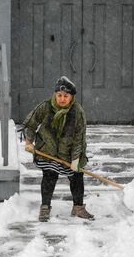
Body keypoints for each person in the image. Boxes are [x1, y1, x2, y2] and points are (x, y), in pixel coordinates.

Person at [23, 76, 94, 222]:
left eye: (66, 96)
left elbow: (79, 138)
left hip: (68, 152)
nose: (62, 99)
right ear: (55, 94)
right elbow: (30, 122)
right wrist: (29, 141)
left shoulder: (77, 112)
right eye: (59, 95)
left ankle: (78, 207)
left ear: (71, 97)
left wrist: (75, 159)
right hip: (47, 151)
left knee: (77, 177)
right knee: (49, 176)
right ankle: (45, 207)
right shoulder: (46, 106)